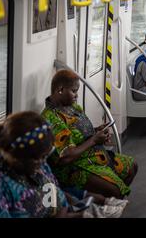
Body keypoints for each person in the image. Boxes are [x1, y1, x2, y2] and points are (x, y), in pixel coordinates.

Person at [41, 70, 138, 199]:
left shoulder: (73, 107)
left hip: (93, 155)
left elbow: (81, 132)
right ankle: (111, 203)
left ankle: (112, 203)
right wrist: (94, 140)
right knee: (115, 190)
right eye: (74, 91)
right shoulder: (50, 118)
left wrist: (97, 131)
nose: (76, 96)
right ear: (60, 90)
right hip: (74, 167)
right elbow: (65, 157)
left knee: (132, 166)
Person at [0, 112, 76, 218]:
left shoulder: (38, 164)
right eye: (38, 158)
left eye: (46, 156)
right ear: (16, 155)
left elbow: (59, 202)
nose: (43, 163)